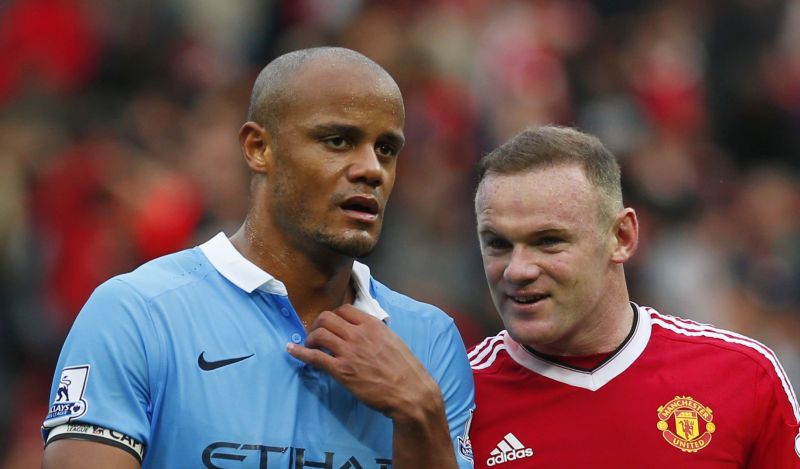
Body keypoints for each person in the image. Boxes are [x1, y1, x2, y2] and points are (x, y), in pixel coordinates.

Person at [41, 47, 475, 469]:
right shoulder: (136, 314)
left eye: (386, 149)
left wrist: (421, 414)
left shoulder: (430, 341)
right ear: (258, 148)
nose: (372, 169)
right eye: (338, 140)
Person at [466, 126, 800, 467]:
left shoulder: (744, 376)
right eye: (498, 244)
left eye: (548, 241)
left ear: (622, 237)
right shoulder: (457, 400)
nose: (516, 270)